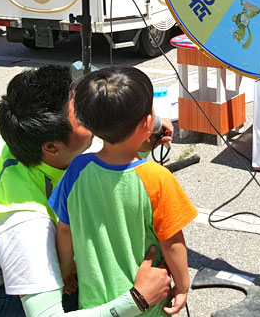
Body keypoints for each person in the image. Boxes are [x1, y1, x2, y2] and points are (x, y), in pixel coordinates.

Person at [0, 65, 174, 317]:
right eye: (84, 117)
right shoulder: (23, 222)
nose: (92, 111)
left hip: (6, 271)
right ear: (52, 147)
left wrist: (148, 126)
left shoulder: (25, 130)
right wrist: (136, 299)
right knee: (111, 286)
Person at [49, 67, 197, 316]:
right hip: (146, 305)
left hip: (96, 304)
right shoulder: (158, 179)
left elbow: (65, 229)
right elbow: (172, 243)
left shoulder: (76, 170)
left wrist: (66, 270)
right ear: (148, 123)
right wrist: (182, 286)